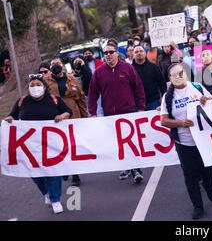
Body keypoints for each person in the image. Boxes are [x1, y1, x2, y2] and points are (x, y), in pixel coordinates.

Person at [4, 74, 72, 214]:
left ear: (44, 86)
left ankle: (55, 199)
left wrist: (62, 116)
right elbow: (13, 115)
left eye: (38, 84)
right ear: (28, 88)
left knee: (53, 172)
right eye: (32, 85)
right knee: (35, 173)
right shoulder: (22, 102)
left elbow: (68, 112)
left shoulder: (54, 100)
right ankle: (46, 192)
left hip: (51, 144)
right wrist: (9, 119)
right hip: (30, 146)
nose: (35, 87)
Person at [160, 63, 212, 220]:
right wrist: (181, 123)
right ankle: (198, 206)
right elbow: (163, 121)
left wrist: (207, 100)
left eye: (181, 72)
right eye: (175, 75)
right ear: (170, 79)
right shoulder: (168, 97)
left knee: (208, 169)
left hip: (204, 139)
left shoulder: (197, 87)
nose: (179, 76)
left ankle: (208, 185)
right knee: (190, 175)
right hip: (184, 143)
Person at [88, 42, 146, 183]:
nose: (108, 55)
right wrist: (93, 112)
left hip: (129, 111)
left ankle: (137, 170)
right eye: (105, 53)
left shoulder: (128, 68)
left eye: (111, 52)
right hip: (110, 115)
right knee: (118, 144)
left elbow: (138, 88)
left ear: (116, 53)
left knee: (131, 142)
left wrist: (141, 108)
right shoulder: (99, 73)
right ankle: (126, 167)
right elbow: (93, 94)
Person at [45, 57, 88, 187]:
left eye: (57, 63)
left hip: (72, 115)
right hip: (55, 117)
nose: (55, 65)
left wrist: (84, 117)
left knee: (71, 145)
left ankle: (75, 175)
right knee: (59, 146)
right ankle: (64, 168)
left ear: (63, 65)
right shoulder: (45, 81)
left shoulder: (72, 79)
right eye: (52, 64)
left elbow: (81, 99)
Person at [132, 45, 167, 111]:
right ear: (133, 55)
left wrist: (163, 97)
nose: (139, 53)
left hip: (153, 102)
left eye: (141, 51)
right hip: (137, 104)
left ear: (145, 53)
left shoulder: (154, 67)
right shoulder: (130, 69)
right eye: (136, 52)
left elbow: (162, 84)